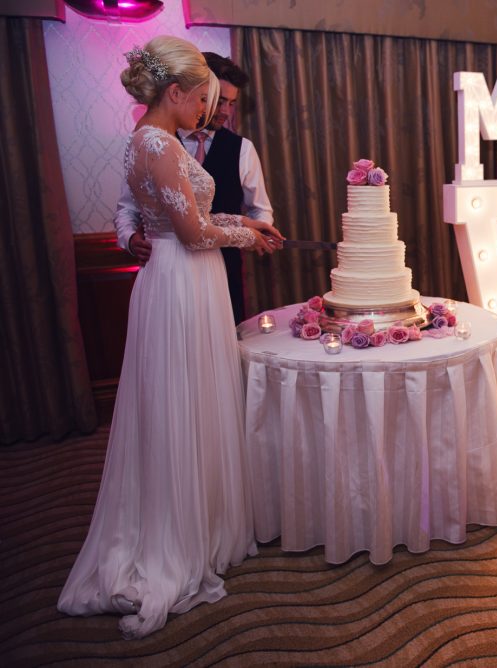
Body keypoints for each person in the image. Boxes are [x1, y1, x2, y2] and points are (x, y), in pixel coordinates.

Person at [58, 35, 284, 640]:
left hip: (193, 280)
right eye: (203, 100)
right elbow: (189, 233)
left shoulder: (153, 138)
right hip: (182, 280)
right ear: (178, 91)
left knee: (196, 400)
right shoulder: (156, 142)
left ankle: (201, 521)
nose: (208, 113)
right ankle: (175, 536)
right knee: (180, 404)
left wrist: (245, 221)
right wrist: (245, 236)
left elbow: (198, 216)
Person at [114, 52, 273, 323]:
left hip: (222, 269)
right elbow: (128, 207)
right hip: (174, 272)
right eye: (216, 100)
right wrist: (129, 238)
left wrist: (257, 232)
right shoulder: (159, 143)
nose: (225, 112)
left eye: (232, 103)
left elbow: (261, 209)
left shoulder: (242, 148)